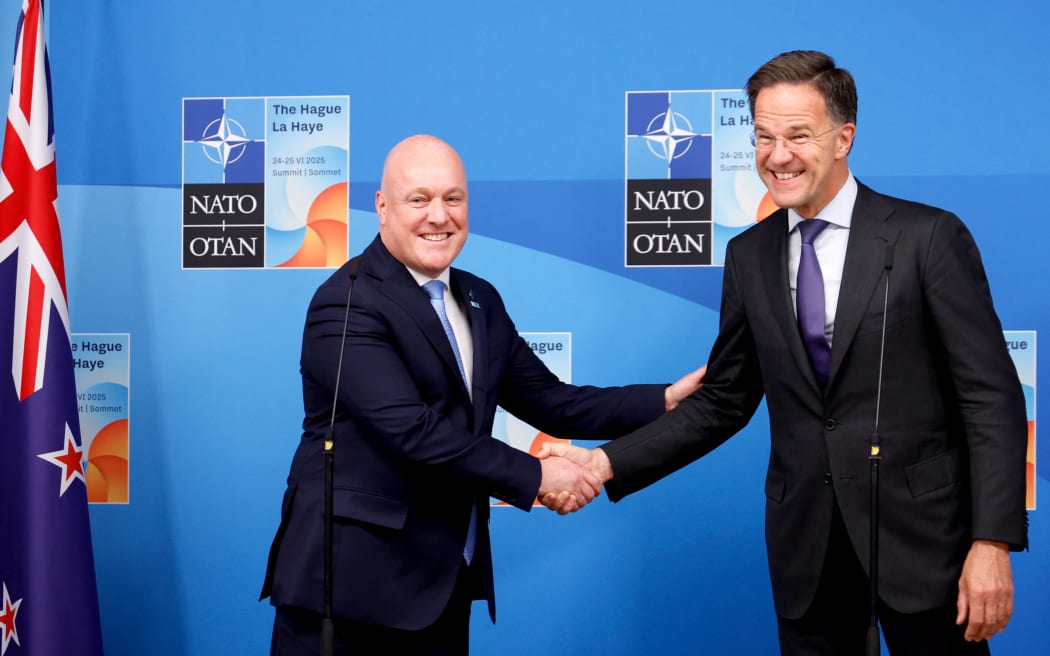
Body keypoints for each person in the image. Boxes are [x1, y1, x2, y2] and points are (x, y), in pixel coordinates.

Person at [541, 51, 1028, 655]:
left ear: (844, 138)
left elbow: (990, 397)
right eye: (764, 137)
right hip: (808, 552)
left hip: (927, 544)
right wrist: (602, 464)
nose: (777, 156)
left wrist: (991, 542)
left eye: (798, 135)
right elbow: (722, 402)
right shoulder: (748, 255)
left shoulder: (927, 237)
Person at [259, 134, 704, 655]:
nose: (439, 216)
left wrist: (664, 400)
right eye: (419, 199)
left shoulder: (478, 297)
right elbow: (413, 431)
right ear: (382, 206)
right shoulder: (346, 302)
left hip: (445, 583)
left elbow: (552, 401)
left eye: (453, 198)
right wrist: (538, 475)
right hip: (352, 592)